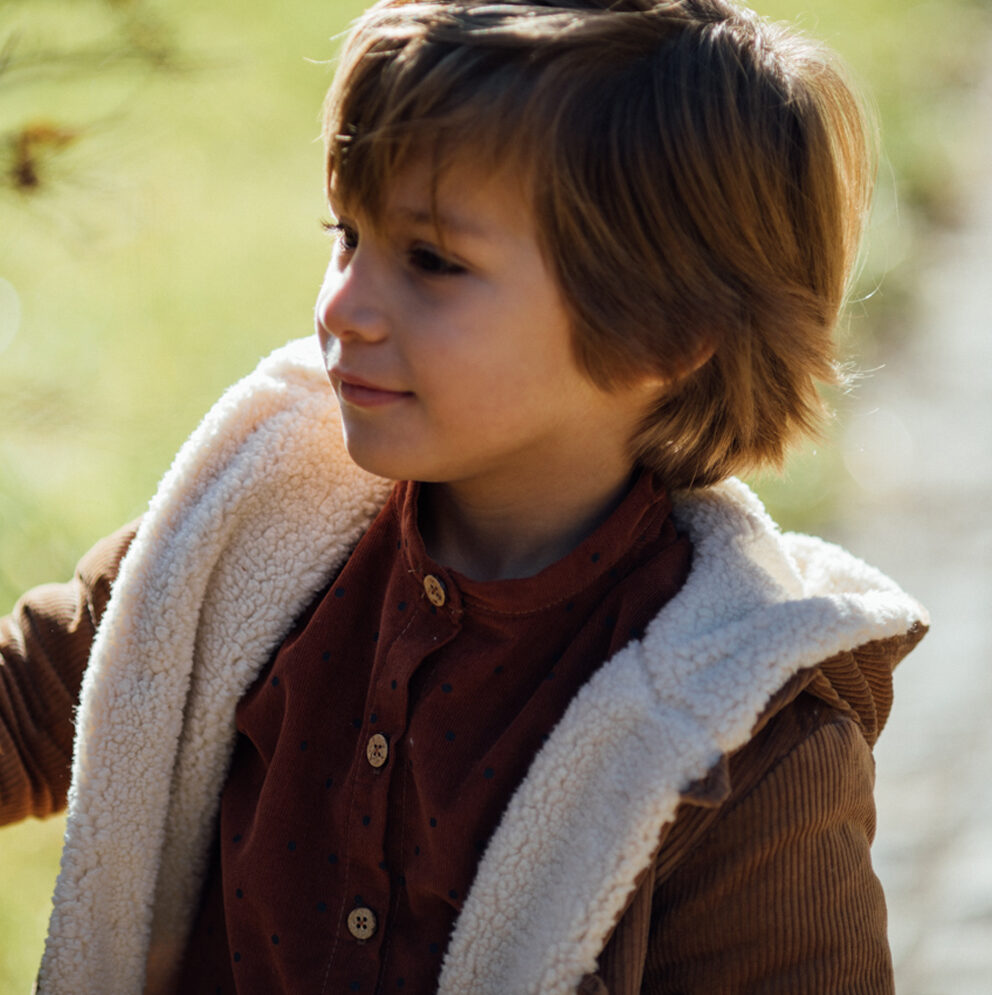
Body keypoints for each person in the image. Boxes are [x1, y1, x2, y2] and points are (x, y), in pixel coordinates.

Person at [0, 1, 928, 992]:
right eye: (347, 236)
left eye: (432, 261)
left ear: (663, 329)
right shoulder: (254, 527)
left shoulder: (738, 735)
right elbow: (31, 703)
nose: (341, 306)